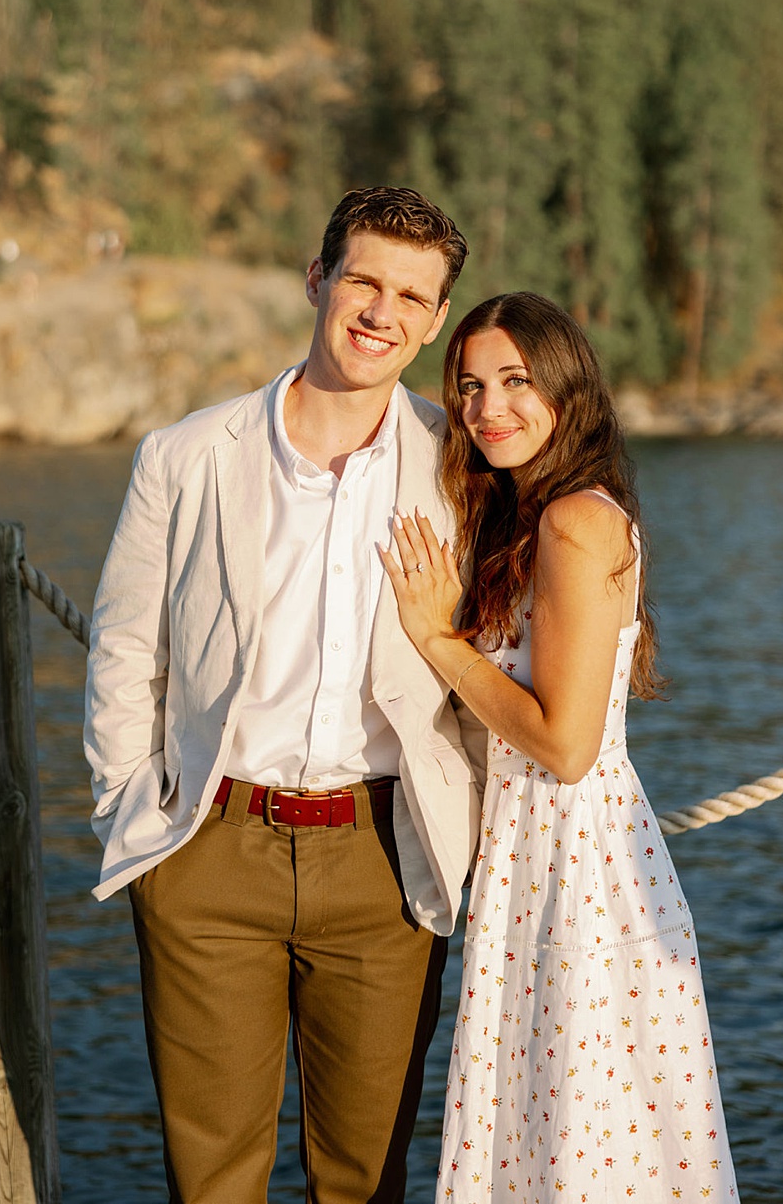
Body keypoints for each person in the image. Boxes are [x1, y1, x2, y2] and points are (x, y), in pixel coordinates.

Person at [84, 186, 485, 1202]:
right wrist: (137, 813)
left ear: (434, 320)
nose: (378, 311)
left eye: (409, 294)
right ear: (316, 279)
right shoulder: (183, 455)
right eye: (360, 278)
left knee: (361, 1177)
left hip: (384, 860)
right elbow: (126, 649)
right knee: (211, 1177)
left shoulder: (461, 467)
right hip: (207, 851)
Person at [376, 292, 737, 1200]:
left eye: (514, 381)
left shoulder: (577, 521)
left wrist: (438, 640)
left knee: (582, 1141)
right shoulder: (531, 513)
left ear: (566, 388)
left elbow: (564, 744)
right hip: (538, 856)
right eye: (468, 386)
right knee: (551, 1137)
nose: (486, 406)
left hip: (576, 864)